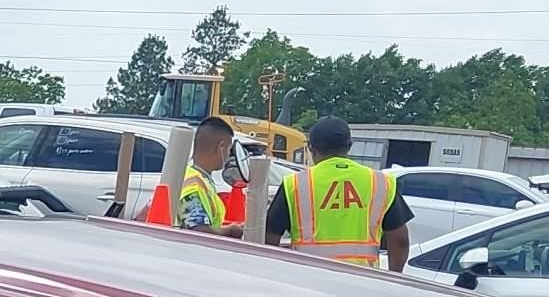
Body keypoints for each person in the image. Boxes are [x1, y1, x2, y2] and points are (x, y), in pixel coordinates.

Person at [266, 117, 411, 270]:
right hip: (363, 281)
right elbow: (400, 241)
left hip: (308, 280)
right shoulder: (381, 182)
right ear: (349, 146)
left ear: (310, 148)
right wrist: (394, 279)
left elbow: (270, 236)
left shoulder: (295, 183)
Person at [141, 115, 247, 234]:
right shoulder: (194, 185)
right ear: (221, 147)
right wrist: (230, 231)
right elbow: (197, 230)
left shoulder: (194, 177)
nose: (228, 155)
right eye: (228, 149)